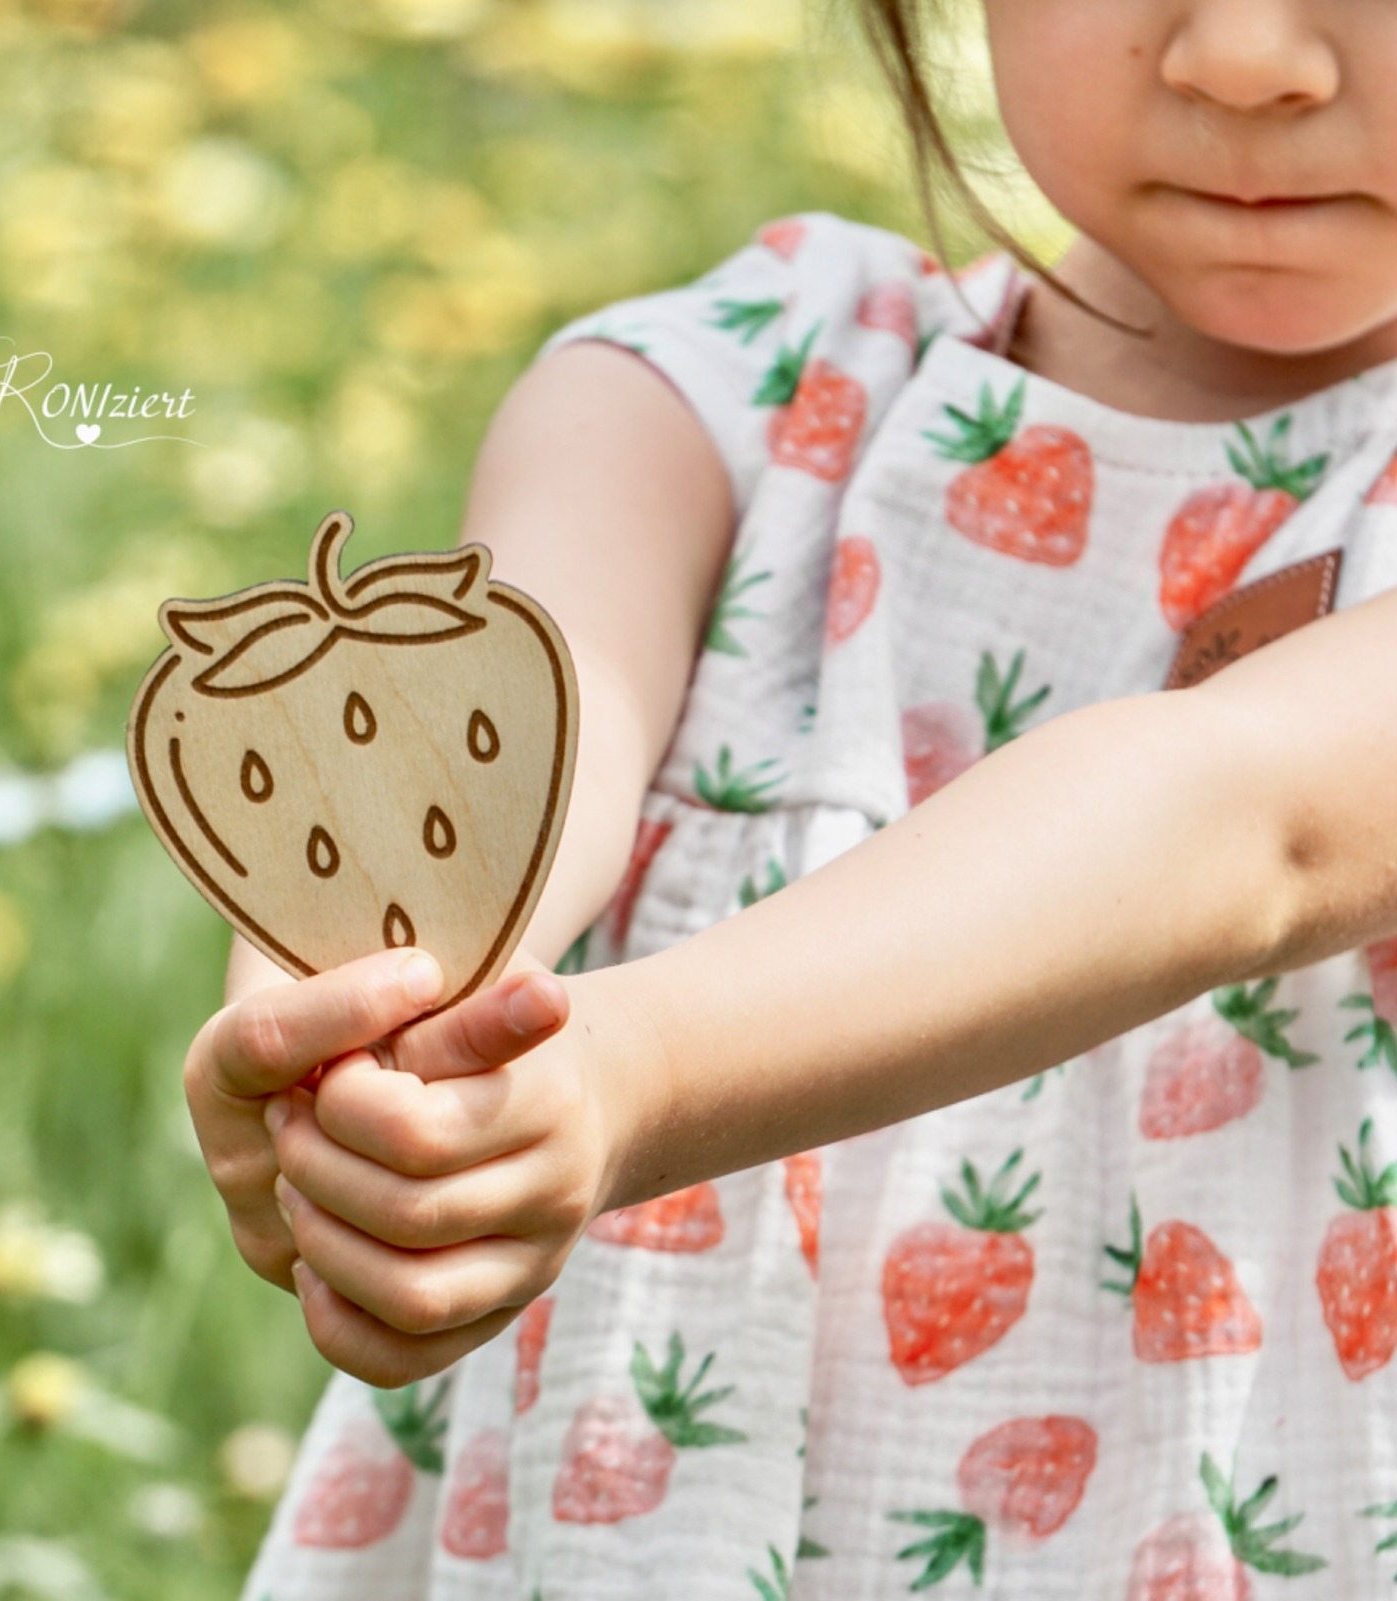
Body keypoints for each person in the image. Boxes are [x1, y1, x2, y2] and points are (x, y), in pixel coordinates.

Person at [187, 3, 1397, 1595]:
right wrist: (353, 1023)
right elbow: (514, 726)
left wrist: (632, 1076)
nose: (1247, 55)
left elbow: (1242, 820)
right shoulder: (750, 375)